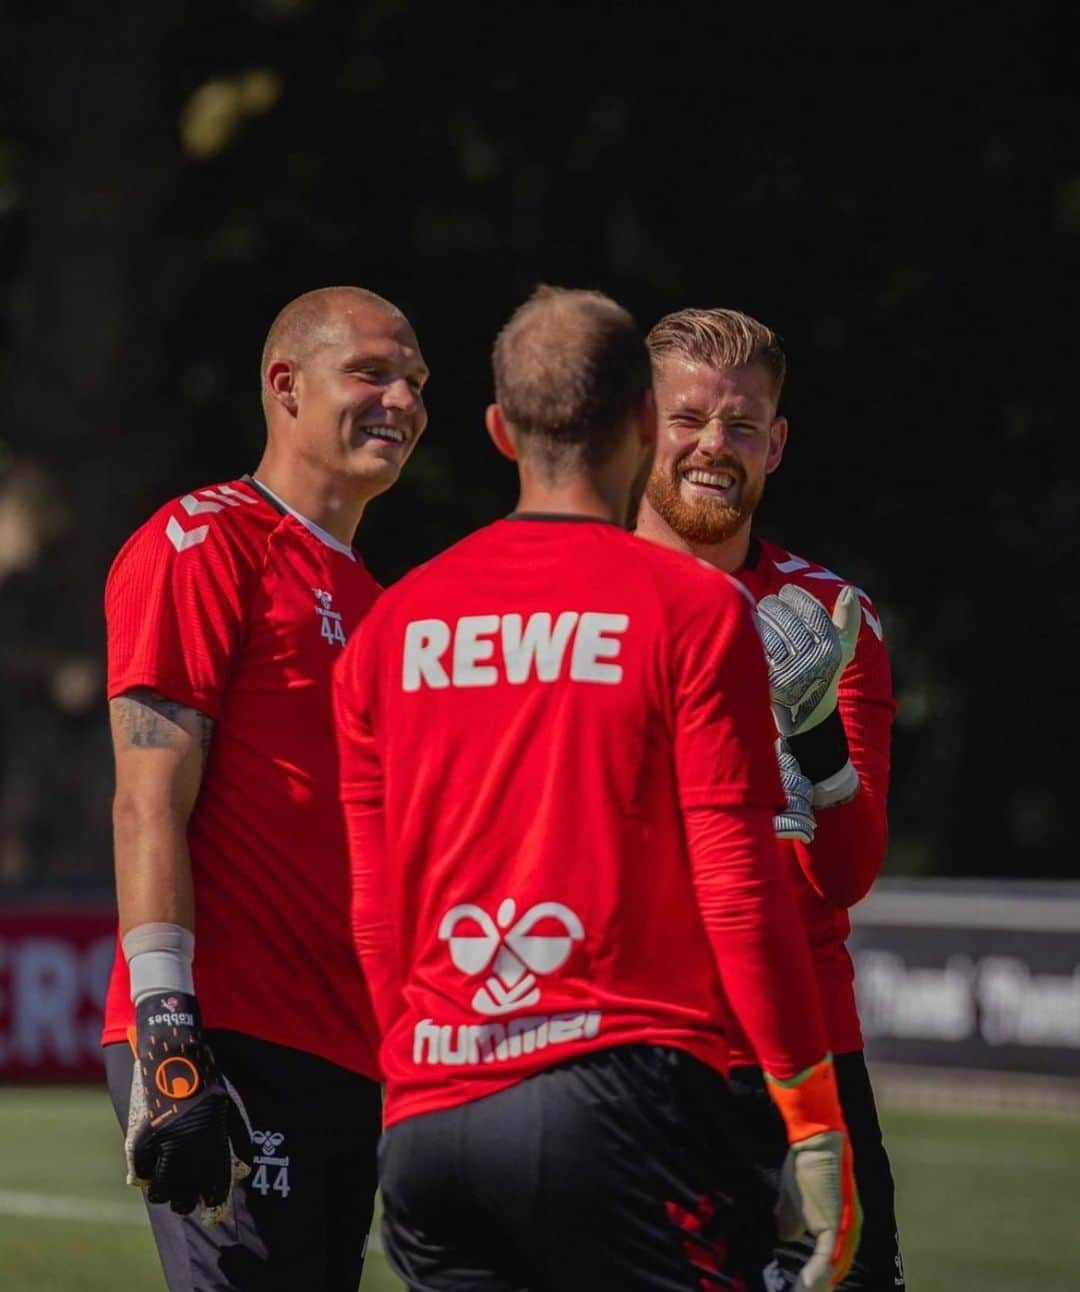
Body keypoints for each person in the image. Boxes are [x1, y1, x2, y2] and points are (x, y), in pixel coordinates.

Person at [335, 286, 860, 1292]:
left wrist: (416, 1079)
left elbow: (374, 916)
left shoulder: (387, 630)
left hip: (432, 1114)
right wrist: (811, 1116)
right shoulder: (693, 608)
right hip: (622, 1090)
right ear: (641, 423)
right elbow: (738, 885)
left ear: (497, 429)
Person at [100, 286, 430, 1291]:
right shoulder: (204, 544)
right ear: (284, 385)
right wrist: (168, 1027)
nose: (403, 399)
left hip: (348, 1047)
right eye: (372, 372)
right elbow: (146, 795)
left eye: (416, 379)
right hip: (224, 1036)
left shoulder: (378, 599)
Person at [636, 306, 903, 1292]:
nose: (714, 445)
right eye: (687, 417)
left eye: (742, 425)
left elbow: (848, 872)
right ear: (638, 424)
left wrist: (815, 730)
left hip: (806, 1050)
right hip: (628, 1042)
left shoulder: (833, 616)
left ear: (776, 444)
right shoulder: (568, 597)